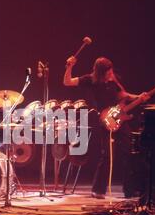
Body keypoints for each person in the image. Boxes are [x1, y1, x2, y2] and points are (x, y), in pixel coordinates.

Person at [63, 56, 149, 199]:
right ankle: (98, 190)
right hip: (104, 119)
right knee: (107, 155)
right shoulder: (90, 80)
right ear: (100, 72)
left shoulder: (113, 80)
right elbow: (67, 82)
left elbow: (124, 95)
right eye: (108, 72)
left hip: (119, 118)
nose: (110, 74)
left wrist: (139, 97)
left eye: (111, 71)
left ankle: (130, 190)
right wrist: (69, 67)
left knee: (129, 152)